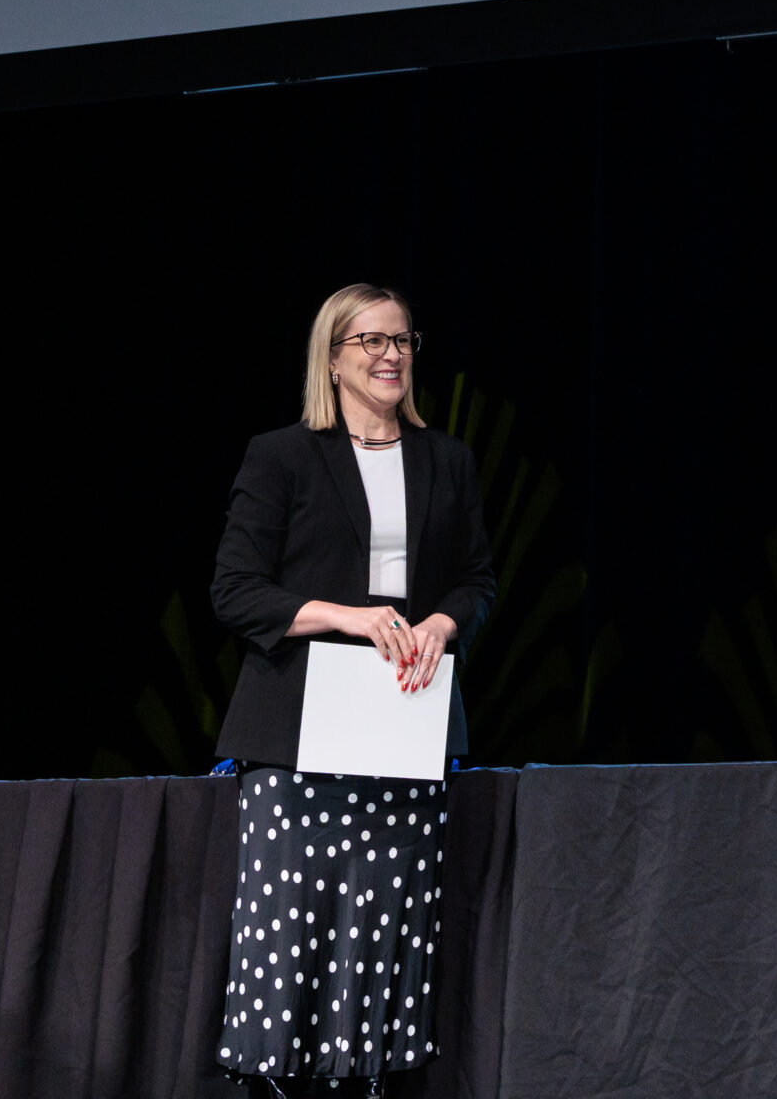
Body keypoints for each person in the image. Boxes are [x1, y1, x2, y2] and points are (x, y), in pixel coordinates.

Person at [210, 282, 496, 1092]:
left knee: (383, 942)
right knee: (288, 944)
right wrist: (351, 616)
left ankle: (366, 1080)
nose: (390, 356)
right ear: (332, 359)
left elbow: (477, 580)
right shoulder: (283, 456)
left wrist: (442, 625)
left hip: (404, 734)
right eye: (370, 341)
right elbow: (235, 590)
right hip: (300, 736)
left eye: (402, 341)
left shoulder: (447, 459)